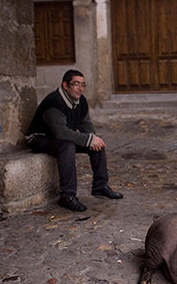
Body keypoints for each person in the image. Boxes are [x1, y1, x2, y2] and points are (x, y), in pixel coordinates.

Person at [26, 70, 123, 211]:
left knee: (97, 143)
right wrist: (88, 140)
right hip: (40, 138)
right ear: (65, 85)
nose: (80, 88)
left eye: (83, 85)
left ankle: (100, 186)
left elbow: (86, 124)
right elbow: (61, 132)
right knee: (68, 146)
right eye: (76, 84)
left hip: (58, 137)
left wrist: (93, 139)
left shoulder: (81, 101)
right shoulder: (54, 102)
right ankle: (67, 196)